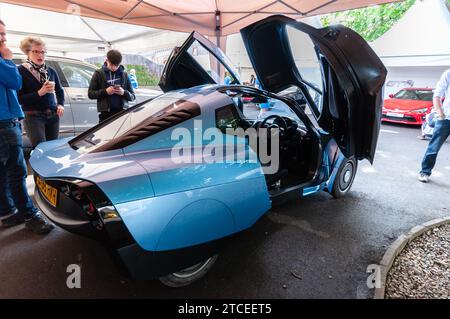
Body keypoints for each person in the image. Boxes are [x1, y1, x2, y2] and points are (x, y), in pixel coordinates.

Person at [0, 19, 53, 233]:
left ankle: (8, 212)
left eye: (4, 33)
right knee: (17, 170)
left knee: (4, 171)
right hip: (5, 122)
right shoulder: (10, 63)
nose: (4, 38)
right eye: (0, 34)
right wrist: (7, 59)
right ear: (28, 53)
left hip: (8, 120)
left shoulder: (48, 70)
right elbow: (16, 83)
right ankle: (30, 216)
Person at [17, 37, 65, 149]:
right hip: (33, 116)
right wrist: (40, 92)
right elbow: (19, 99)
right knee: (40, 150)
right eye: (36, 51)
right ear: (27, 53)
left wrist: (60, 104)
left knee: (52, 150)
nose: (40, 55)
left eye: (43, 52)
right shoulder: (20, 71)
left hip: (53, 115)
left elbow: (59, 90)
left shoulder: (50, 71)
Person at [419, 69, 450, 183]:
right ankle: (425, 172)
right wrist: (440, 113)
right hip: (446, 118)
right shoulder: (448, 73)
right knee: (434, 147)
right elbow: (437, 95)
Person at [88, 50, 135, 123]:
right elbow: (90, 94)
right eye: (111, 65)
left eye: (116, 65)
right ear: (106, 60)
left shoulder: (124, 75)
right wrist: (105, 91)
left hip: (122, 113)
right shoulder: (98, 73)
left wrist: (124, 92)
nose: (114, 68)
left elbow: (133, 96)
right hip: (105, 115)